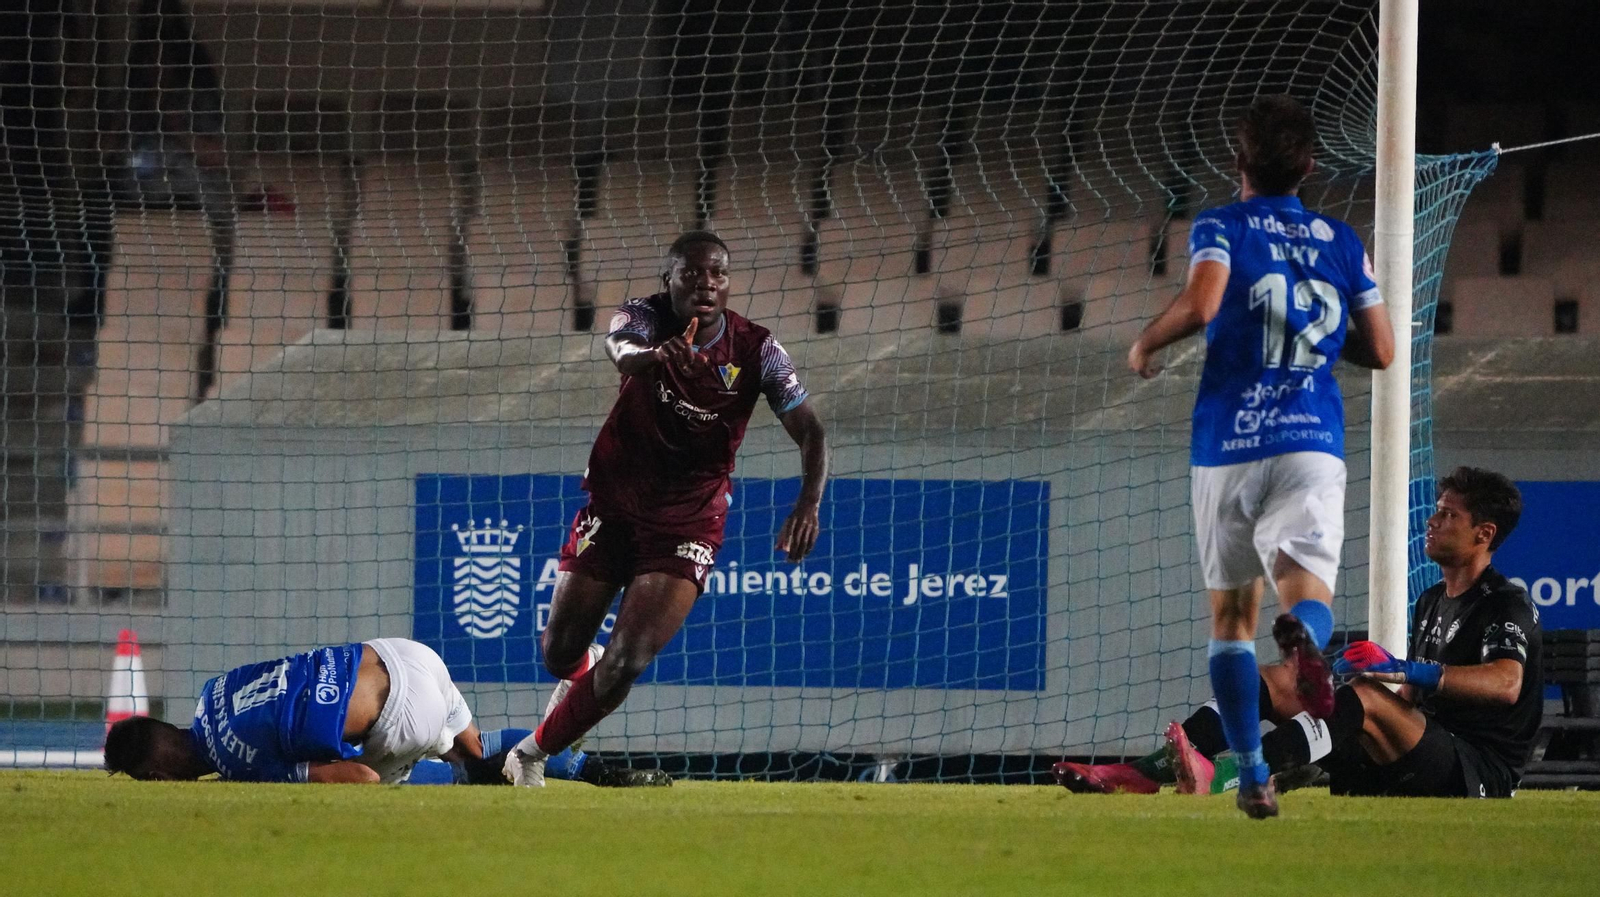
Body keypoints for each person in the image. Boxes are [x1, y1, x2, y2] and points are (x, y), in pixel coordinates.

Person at [1125, 94, 1395, 818]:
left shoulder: (1221, 225)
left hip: (1228, 446)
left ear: (1236, 161)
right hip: (1311, 441)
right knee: (1305, 595)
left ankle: (1250, 773)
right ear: (1309, 165)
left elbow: (1205, 303)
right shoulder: (1342, 241)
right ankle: (1305, 641)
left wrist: (1147, 340)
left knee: (1231, 621)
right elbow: (1383, 349)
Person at [504, 231, 829, 787]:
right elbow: (620, 352)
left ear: (728, 283)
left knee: (627, 661)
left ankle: (530, 754)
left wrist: (807, 504)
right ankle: (574, 693)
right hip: (614, 502)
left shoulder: (758, 350)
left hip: (688, 519)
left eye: (718, 274)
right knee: (559, 655)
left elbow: (811, 432)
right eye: (693, 274)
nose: (706, 284)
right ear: (669, 281)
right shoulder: (643, 317)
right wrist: (655, 357)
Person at [1057, 467, 1542, 801]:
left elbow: (1506, 683)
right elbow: (1412, 703)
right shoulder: (1431, 601)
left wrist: (1398, 670)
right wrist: (1374, 688)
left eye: (1449, 515)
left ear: (1484, 534)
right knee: (1283, 679)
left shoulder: (1505, 603)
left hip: (1475, 771)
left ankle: (1228, 776)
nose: (1432, 522)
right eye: (1436, 510)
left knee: (1366, 697)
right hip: (1419, 757)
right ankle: (1138, 774)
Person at [103, 637, 669, 787]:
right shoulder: (211, 691)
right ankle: (594, 768)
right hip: (405, 655)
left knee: (411, 775)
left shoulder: (236, 764)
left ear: (155, 776)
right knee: (479, 757)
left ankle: (464, 773)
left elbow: (360, 777)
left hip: (400, 714)